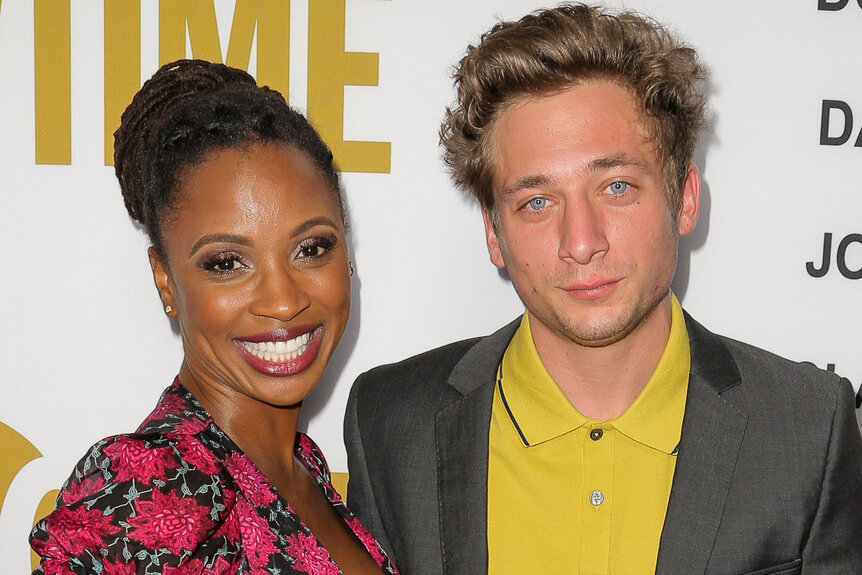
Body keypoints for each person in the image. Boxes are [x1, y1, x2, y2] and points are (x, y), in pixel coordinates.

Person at [344, 4, 862, 574]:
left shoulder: (808, 427)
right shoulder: (391, 423)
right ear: (495, 233)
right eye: (536, 202)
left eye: (616, 187)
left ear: (684, 197)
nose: (582, 241)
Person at [30, 59, 397, 575]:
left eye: (311, 248)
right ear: (165, 281)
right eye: (226, 263)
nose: (283, 299)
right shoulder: (151, 488)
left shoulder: (305, 470)